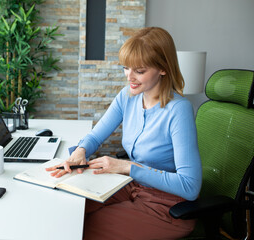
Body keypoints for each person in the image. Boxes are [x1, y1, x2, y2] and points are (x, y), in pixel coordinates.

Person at [46, 27, 202, 240]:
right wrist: (80, 152)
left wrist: (128, 167)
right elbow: (95, 136)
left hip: (166, 205)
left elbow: (190, 186)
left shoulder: (178, 110)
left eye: (139, 70)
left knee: (83, 229)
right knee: (66, 209)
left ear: (163, 68)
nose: (130, 77)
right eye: (126, 68)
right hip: (130, 186)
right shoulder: (127, 96)